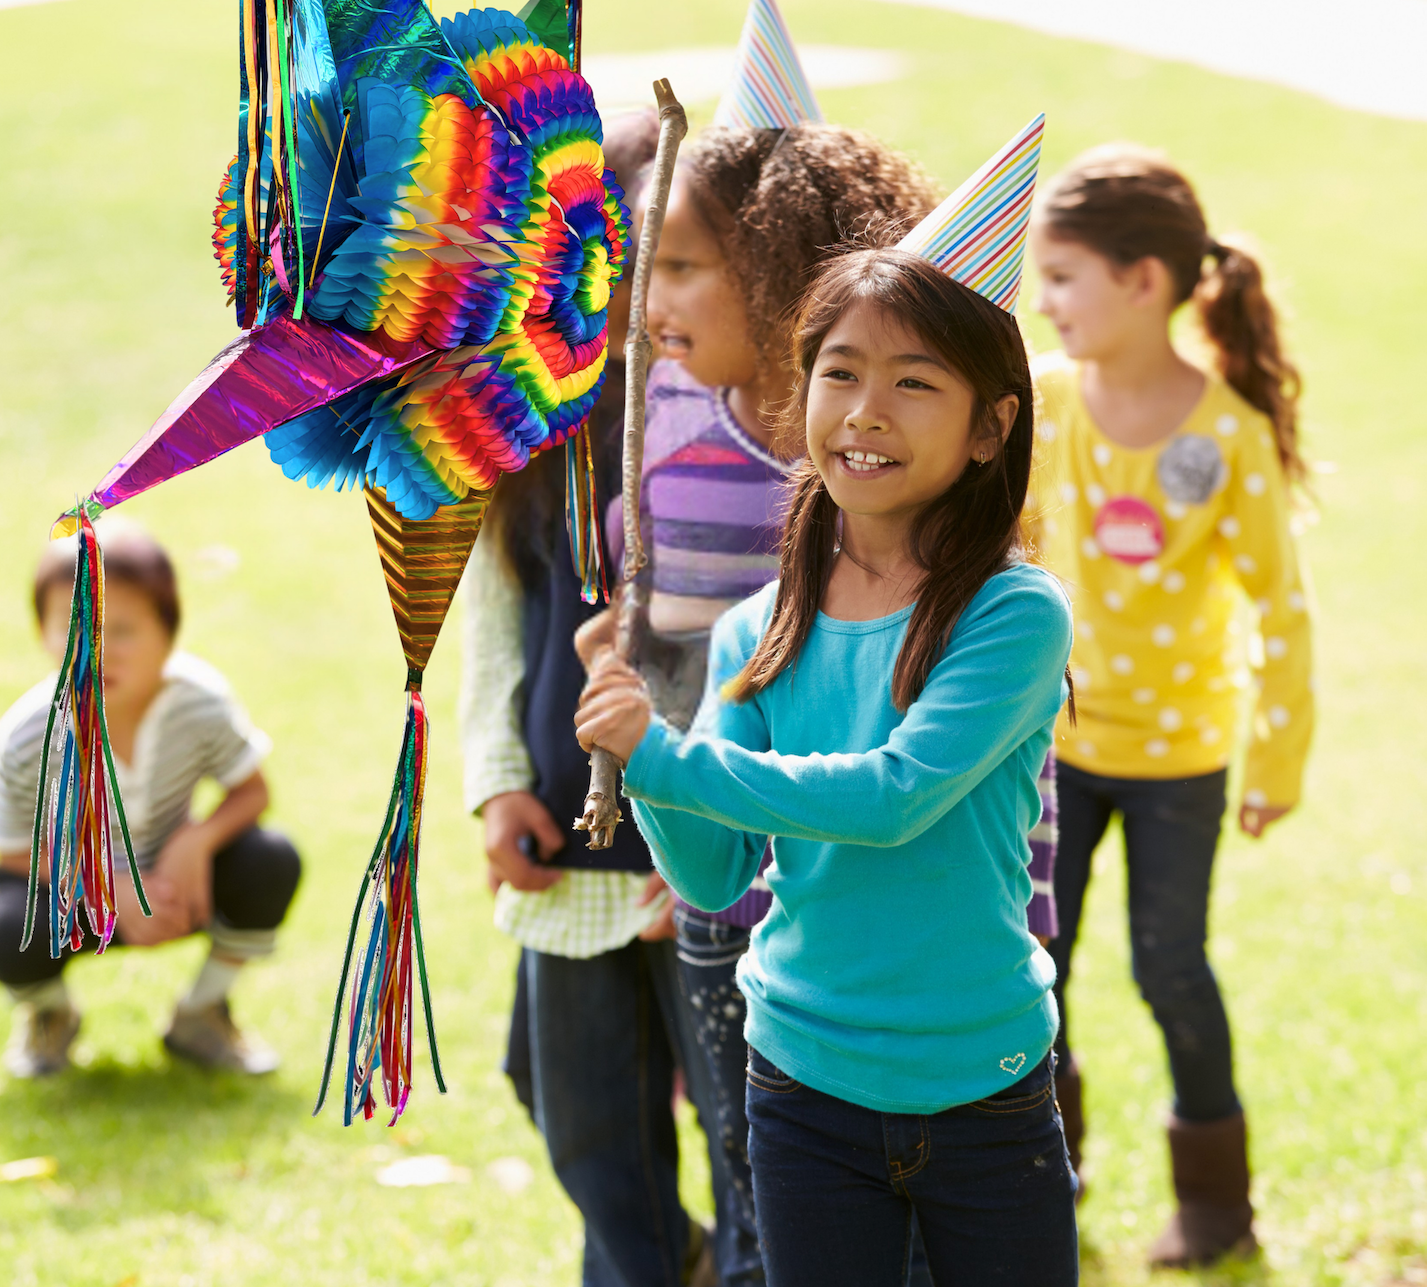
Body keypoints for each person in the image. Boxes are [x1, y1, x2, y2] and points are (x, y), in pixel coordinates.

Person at [575, 246, 1079, 1287]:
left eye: (915, 382)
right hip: (802, 1085)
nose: (867, 410)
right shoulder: (758, 631)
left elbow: (892, 798)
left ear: (993, 427)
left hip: (981, 1080)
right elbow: (714, 875)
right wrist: (643, 749)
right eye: (841, 371)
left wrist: (662, 755)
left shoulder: (1011, 615)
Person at [593, 121, 941, 1287]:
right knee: (755, 1176)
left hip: (839, 907)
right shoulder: (681, 423)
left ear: (780, 272)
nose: (652, 297)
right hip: (722, 869)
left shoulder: (855, 481)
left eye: (683, 264)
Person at [1028, 144, 1314, 1266]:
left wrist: (1274, 770)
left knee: (1169, 967)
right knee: (1036, 959)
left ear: (1143, 281)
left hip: (1179, 764)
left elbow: (1284, 612)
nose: (1042, 303)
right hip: (1050, 746)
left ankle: (1214, 1201)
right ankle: (1042, 1161)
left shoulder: (1228, 436)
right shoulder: (1046, 405)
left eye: (1061, 278)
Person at [458, 109, 716, 1287]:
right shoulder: (539, 420)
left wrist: (725, 839)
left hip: (697, 850)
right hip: (567, 841)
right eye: (615, 257)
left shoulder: (743, 427)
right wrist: (496, 779)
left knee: (737, 1116)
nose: (639, 291)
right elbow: (502, 611)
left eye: (676, 261)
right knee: (581, 1117)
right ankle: (659, 1268)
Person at [0, 521, 301, 1077]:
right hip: (70, 888)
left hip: (176, 881)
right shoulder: (28, 734)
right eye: (71, 627)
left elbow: (252, 791)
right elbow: (10, 852)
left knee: (271, 860)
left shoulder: (199, 702)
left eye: (122, 629)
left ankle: (202, 1012)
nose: (95, 650)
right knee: (6, 934)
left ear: (168, 635)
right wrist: (106, 888)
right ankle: (50, 1015)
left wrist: (198, 841)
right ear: (42, 633)